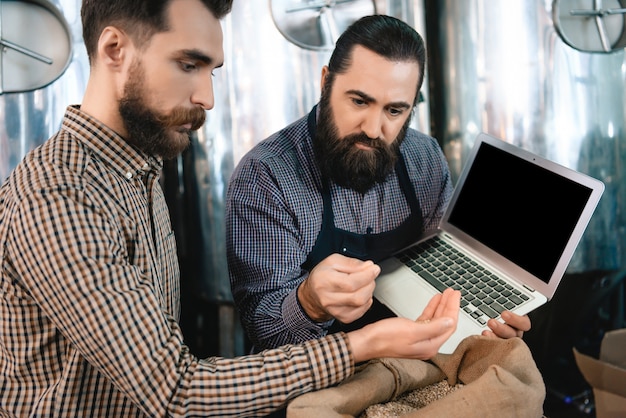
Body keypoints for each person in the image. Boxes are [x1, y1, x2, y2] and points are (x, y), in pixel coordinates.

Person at [0, 1, 463, 417]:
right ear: (115, 49)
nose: (208, 98)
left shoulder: (136, 171)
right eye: (188, 64)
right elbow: (176, 390)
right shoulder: (61, 196)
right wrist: (358, 341)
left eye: (212, 72)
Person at [226, 14, 531, 353]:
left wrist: (482, 323)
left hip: (415, 359)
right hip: (317, 379)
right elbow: (263, 333)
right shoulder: (267, 174)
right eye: (359, 101)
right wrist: (309, 302)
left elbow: (440, 268)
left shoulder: (425, 158)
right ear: (326, 83)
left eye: (394, 111)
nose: (373, 129)